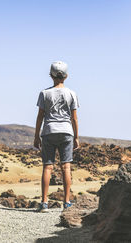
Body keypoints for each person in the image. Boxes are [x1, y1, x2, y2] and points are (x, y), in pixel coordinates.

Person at [34, 61, 80, 213]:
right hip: (66, 131)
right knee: (66, 167)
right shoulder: (72, 94)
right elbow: (74, 118)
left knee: (48, 167)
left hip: (48, 131)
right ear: (66, 76)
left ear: (50, 75)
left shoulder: (44, 93)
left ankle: (44, 203)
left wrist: (36, 136)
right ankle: (66, 203)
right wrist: (76, 137)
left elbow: (40, 117)